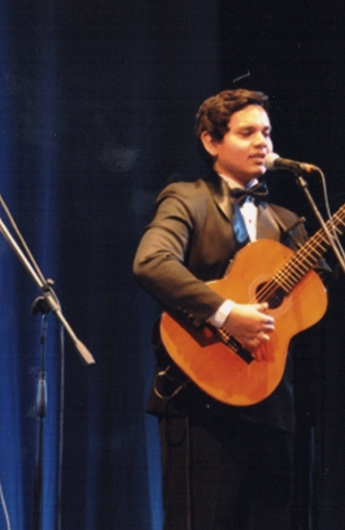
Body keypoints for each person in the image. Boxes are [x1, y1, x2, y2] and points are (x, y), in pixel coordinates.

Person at [133, 89, 327, 529]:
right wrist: (226, 313)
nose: (263, 142)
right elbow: (151, 262)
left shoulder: (286, 221)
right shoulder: (187, 199)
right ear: (211, 141)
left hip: (272, 399)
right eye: (247, 133)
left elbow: (319, 289)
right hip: (201, 399)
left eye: (267, 132)